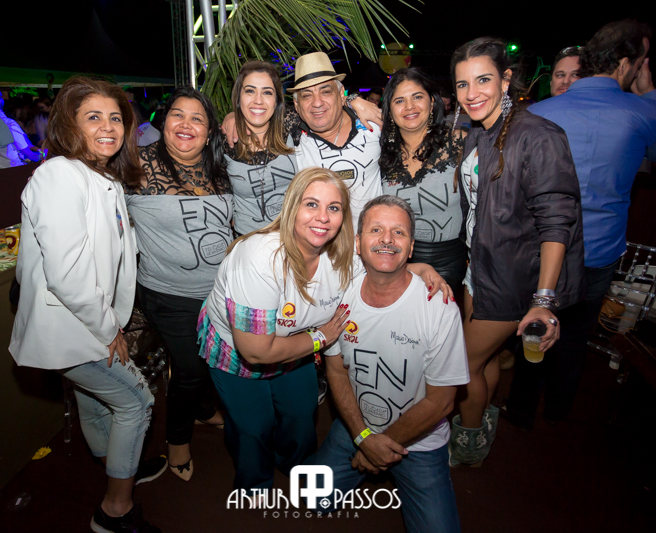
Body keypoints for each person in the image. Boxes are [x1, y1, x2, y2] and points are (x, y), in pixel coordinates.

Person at [197, 167, 449, 491]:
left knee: (301, 413)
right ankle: (255, 483)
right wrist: (320, 338)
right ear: (292, 207)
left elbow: (385, 266)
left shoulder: (342, 256)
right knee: (253, 425)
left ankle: (295, 467)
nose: (323, 217)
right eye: (311, 204)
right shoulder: (259, 257)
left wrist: (424, 269)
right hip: (239, 350)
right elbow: (256, 351)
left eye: (334, 207)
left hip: (296, 345)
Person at [515, 21, 656, 429]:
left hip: (539, 247)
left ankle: (521, 412)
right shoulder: (644, 112)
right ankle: (558, 411)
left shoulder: (538, 113)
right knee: (575, 336)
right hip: (598, 250)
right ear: (627, 64)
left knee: (531, 327)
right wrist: (650, 91)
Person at [9, 76, 162, 533]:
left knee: (95, 402)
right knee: (136, 402)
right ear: (69, 125)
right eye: (93, 117)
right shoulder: (59, 175)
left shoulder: (101, 175)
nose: (108, 127)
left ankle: (116, 462)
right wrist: (109, 328)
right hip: (74, 325)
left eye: (115, 117)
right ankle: (115, 509)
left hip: (87, 321)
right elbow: (68, 275)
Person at [448, 37, 585, 465]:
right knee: (485, 358)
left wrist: (543, 299)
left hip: (513, 279)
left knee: (460, 365)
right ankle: (485, 419)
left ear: (505, 80)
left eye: (483, 80)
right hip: (480, 269)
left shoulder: (538, 135)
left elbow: (557, 223)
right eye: (462, 84)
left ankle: (468, 443)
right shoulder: (480, 131)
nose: (472, 93)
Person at [308, 195, 468, 533]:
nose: (387, 239)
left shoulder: (439, 308)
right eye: (376, 230)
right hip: (356, 425)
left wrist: (377, 447)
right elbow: (336, 371)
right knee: (308, 497)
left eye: (399, 232)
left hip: (420, 440)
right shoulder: (339, 296)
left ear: (411, 248)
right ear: (357, 243)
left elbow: (441, 402)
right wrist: (363, 437)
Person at [125, 86, 230, 482]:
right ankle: (177, 440)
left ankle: (202, 410)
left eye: (197, 118)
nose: (186, 124)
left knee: (210, 363)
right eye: (178, 115)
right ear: (163, 121)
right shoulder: (135, 166)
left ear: (209, 130)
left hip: (220, 292)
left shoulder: (221, 165)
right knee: (190, 369)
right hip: (168, 295)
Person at [379, 67, 466, 298]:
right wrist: (353, 100)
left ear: (432, 102)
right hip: (396, 259)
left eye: (417, 97)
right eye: (399, 101)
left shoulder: (459, 143)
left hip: (450, 261)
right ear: (390, 110)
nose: (409, 107)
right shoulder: (380, 152)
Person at [288, 51, 384, 229]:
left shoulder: (374, 127)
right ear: (297, 105)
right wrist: (234, 117)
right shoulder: (291, 142)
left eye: (325, 92)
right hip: (320, 244)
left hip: (372, 242)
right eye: (306, 95)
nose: (317, 103)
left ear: (341, 95)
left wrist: (354, 100)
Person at [225, 61, 298, 236]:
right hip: (247, 240)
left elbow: (326, 109)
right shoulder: (224, 143)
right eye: (250, 91)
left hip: (292, 239)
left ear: (276, 101)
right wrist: (231, 116)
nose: (258, 100)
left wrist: (352, 100)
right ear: (238, 97)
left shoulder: (292, 125)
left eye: (267, 92)